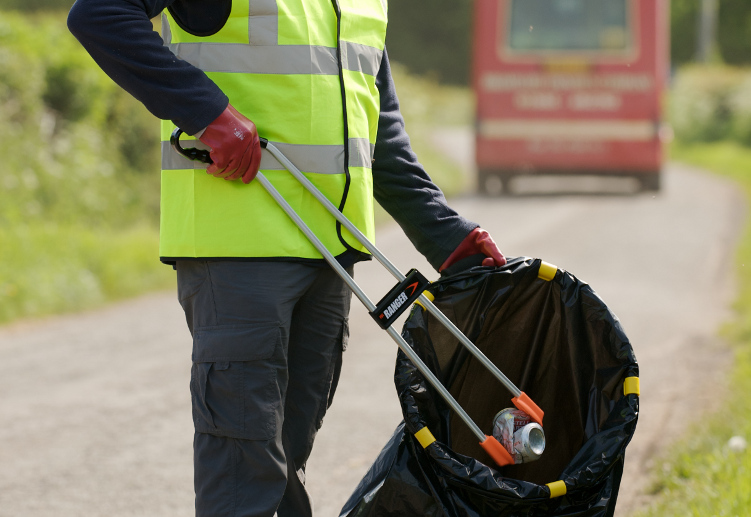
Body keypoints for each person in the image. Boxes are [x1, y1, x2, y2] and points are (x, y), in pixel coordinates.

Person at [67, 1, 506, 516]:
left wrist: (444, 234)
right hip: (237, 246)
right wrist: (206, 111)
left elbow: (374, 126)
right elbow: (99, 14)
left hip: (331, 256)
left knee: (283, 453)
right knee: (243, 457)